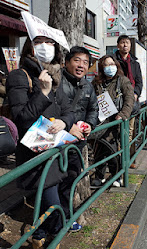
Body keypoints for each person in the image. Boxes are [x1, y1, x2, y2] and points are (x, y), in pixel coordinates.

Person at [6, 35, 74, 249]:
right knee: (52, 204)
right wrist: (42, 92)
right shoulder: (19, 76)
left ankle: (41, 237)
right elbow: (21, 117)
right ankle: (45, 238)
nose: (47, 47)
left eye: (51, 43)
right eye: (41, 42)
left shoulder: (54, 76)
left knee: (53, 203)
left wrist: (65, 122)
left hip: (55, 152)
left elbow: (67, 110)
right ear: (30, 47)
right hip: (34, 155)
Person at [60, 46, 99, 218]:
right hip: (57, 142)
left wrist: (90, 124)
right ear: (67, 62)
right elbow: (50, 110)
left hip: (77, 143)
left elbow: (93, 109)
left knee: (71, 178)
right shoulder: (57, 81)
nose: (81, 65)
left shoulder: (88, 86)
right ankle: (58, 219)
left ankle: (66, 215)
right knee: (54, 181)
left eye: (85, 62)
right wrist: (68, 126)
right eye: (77, 60)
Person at [92, 55, 135, 185]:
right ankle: (99, 176)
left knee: (113, 148)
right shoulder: (96, 82)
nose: (110, 67)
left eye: (112, 64)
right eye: (106, 65)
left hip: (115, 120)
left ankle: (117, 175)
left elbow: (129, 99)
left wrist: (123, 114)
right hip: (100, 120)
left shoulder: (122, 80)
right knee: (99, 148)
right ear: (101, 67)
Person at [115, 35, 143, 169]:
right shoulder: (113, 61)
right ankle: (118, 160)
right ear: (118, 45)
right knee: (117, 131)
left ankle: (130, 158)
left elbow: (139, 81)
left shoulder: (135, 63)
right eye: (122, 43)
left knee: (130, 130)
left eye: (127, 43)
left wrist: (136, 94)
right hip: (116, 100)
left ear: (130, 46)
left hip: (131, 101)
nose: (125, 45)